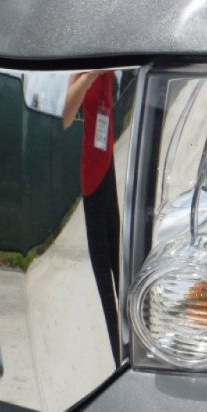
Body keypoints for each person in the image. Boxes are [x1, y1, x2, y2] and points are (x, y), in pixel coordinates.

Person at [63, 71, 120, 361]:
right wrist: (89, 78)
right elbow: (66, 118)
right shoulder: (86, 69)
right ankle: (113, 348)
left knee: (118, 258)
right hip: (93, 172)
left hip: (109, 166)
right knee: (101, 266)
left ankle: (126, 339)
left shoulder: (113, 69)